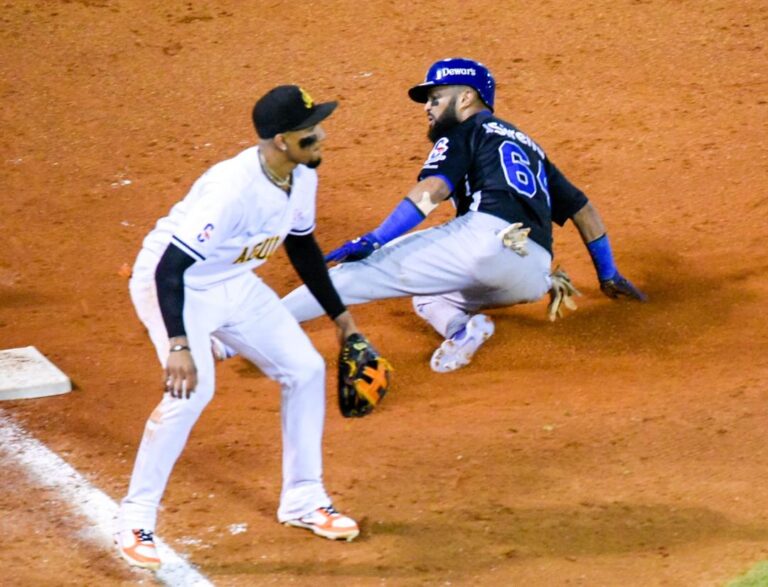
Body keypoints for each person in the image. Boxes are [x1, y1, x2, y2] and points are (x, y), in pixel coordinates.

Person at [114, 85, 365, 571]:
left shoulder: (301, 173)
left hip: (233, 282)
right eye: (309, 132)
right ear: (278, 140)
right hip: (175, 284)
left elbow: (303, 247)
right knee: (191, 390)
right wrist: (180, 344)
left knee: (306, 368)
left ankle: (303, 499)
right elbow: (170, 268)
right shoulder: (231, 189)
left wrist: (342, 318)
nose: (321, 136)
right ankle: (135, 519)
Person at [281, 57, 646, 373]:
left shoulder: (465, 130)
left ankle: (244, 334)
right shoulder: (532, 148)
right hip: (534, 274)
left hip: (484, 242)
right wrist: (608, 274)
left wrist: (375, 239)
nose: (428, 107)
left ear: (467, 97)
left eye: (437, 98)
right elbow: (586, 212)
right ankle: (462, 330)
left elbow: (433, 191)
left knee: (354, 274)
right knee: (430, 296)